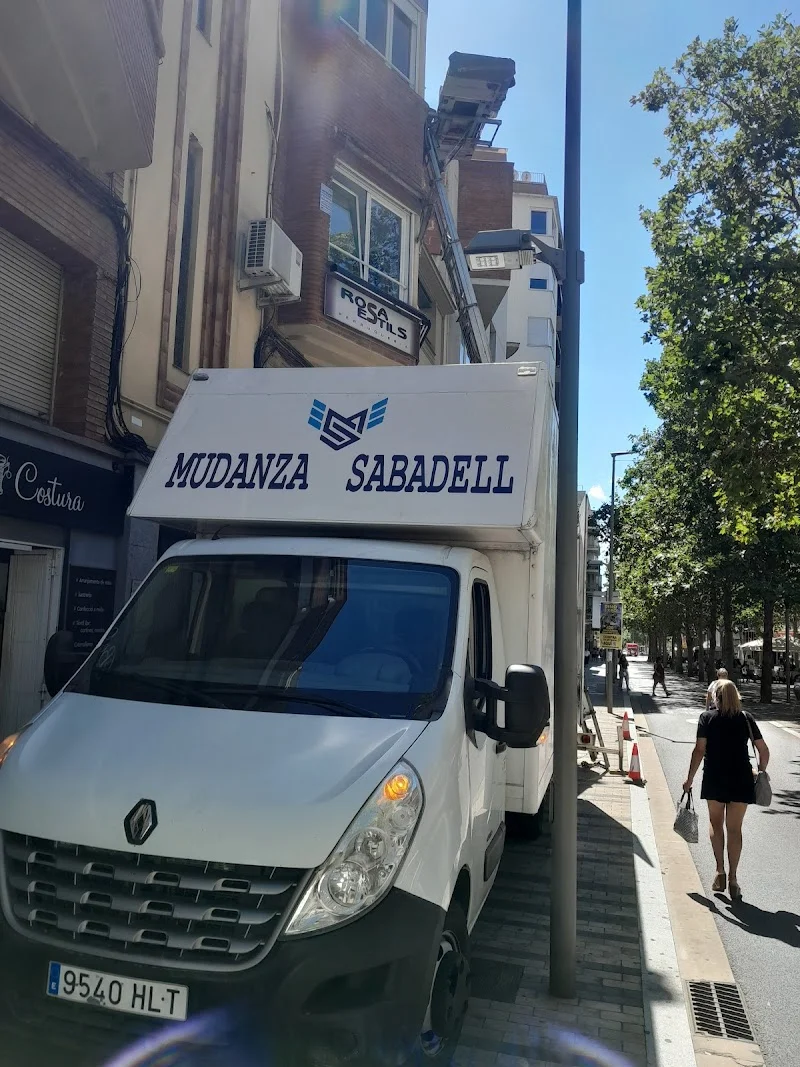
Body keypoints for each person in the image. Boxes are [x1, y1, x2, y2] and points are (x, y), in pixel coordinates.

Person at [683, 680, 770, 901]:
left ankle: (719, 871)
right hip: (741, 778)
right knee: (735, 829)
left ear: (716, 697)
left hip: (715, 777)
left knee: (715, 823)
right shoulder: (746, 718)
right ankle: (733, 879)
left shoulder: (707, 718)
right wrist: (761, 771)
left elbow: (699, 750)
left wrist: (690, 778)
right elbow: (763, 750)